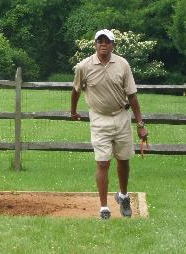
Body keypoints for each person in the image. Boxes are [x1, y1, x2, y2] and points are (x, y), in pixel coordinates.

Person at [70, 29, 148, 219]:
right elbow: (76, 90)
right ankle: (104, 207)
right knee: (103, 162)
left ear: (113, 45)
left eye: (107, 41)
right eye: (100, 41)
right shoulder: (84, 66)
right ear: (95, 44)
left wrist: (140, 124)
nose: (103, 44)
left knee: (123, 159)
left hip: (122, 116)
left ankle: (123, 195)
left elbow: (132, 95)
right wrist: (73, 111)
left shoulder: (122, 64)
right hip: (99, 118)